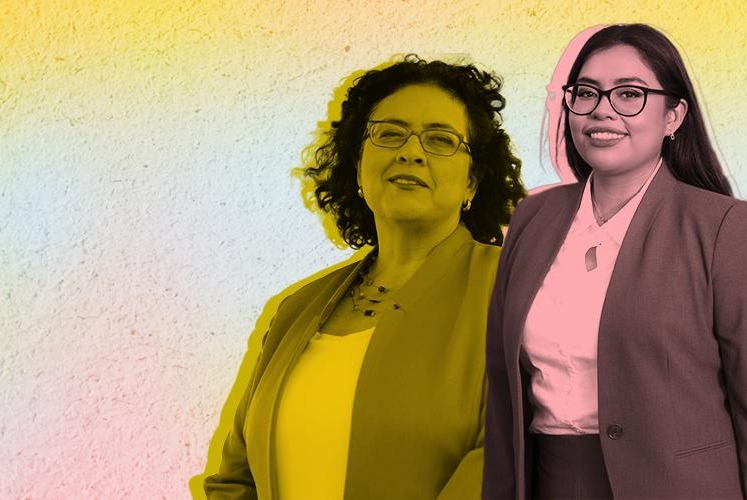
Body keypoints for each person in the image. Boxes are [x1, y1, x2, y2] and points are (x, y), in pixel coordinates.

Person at [483, 24, 747, 499]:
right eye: (585, 93)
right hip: (549, 483)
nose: (602, 110)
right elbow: (504, 395)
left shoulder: (723, 226)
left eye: (629, 94)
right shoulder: (531, 219)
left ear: (674, 115)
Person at [197, 56, 525, 499]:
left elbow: (511, 460)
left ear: (472, 182)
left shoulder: (515, 290)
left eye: (440, 140)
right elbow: (235, 480)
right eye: (389, 134)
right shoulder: (295, 311)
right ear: (357, 165)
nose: (411, 152)